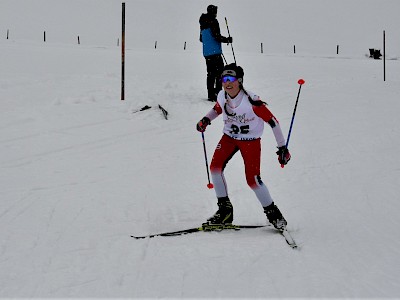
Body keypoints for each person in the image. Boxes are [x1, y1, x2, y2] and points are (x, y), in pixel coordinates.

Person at [196, 63, 291, 231]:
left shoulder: (252, 102)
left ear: (239, 81)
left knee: (252, 180)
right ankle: (225, 211)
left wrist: (282, 148)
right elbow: (217, 109)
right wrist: (206, 120)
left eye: (230, 79)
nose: (227, 83)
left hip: (250, 141)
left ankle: (274, 215)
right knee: (215, 169)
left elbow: (273, 122)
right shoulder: (222, 96)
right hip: (229, 138)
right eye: (223, 79)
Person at [199, 5, 232, 102]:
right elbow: (216, 36)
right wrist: (227, 40)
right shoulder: (213, 21)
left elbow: (201, 39)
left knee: (210, 74)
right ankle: (218, 93)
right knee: (219, 73)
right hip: (215, 52)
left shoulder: (202, 23)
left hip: (207, 53)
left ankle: (210, 95)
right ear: (214, 12)